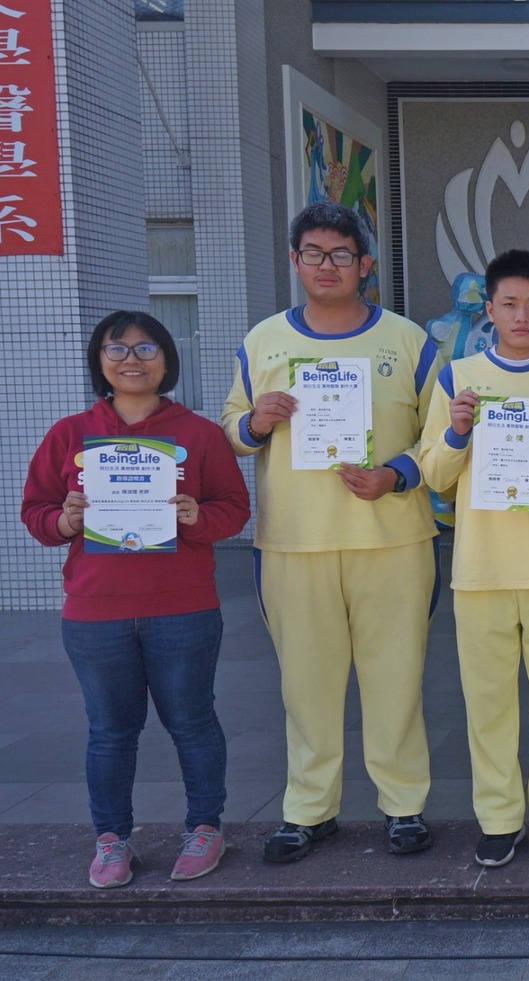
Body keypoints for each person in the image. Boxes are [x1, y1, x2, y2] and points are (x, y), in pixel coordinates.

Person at [222, 202, 442, 863]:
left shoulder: (407, 341)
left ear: (364, 264)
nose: (327, 265)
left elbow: (442, 438)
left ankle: (403, 805)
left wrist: (397, 475)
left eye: (341, 254)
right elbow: (230, 431)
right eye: (313, 253)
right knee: (305, 686)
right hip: (295, 541)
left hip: (393, 539)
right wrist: (256, 422)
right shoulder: (263, 341)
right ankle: (308, 810)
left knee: (396, 680)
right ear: (295, 261)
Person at [22, 312, 249, 887]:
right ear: (99, 361)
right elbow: (35, 512)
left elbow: (234, 508)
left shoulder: (197, 434)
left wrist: (197, 516)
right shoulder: (70, 434)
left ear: (167, 359)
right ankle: (111, 839)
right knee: (110, 731)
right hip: (97, 611)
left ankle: (206, 828)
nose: (131, 359)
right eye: (117, 349)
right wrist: (65, 521)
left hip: (183, 607)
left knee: (192, 722)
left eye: (146, 348)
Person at [419, 249, 529, 869]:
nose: (521, 316)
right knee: (488, 704)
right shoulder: (458, 379)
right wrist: (456, 433)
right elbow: (435, 475)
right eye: (509, 304)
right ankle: (498, 818)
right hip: (481, 569)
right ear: (490, 310)